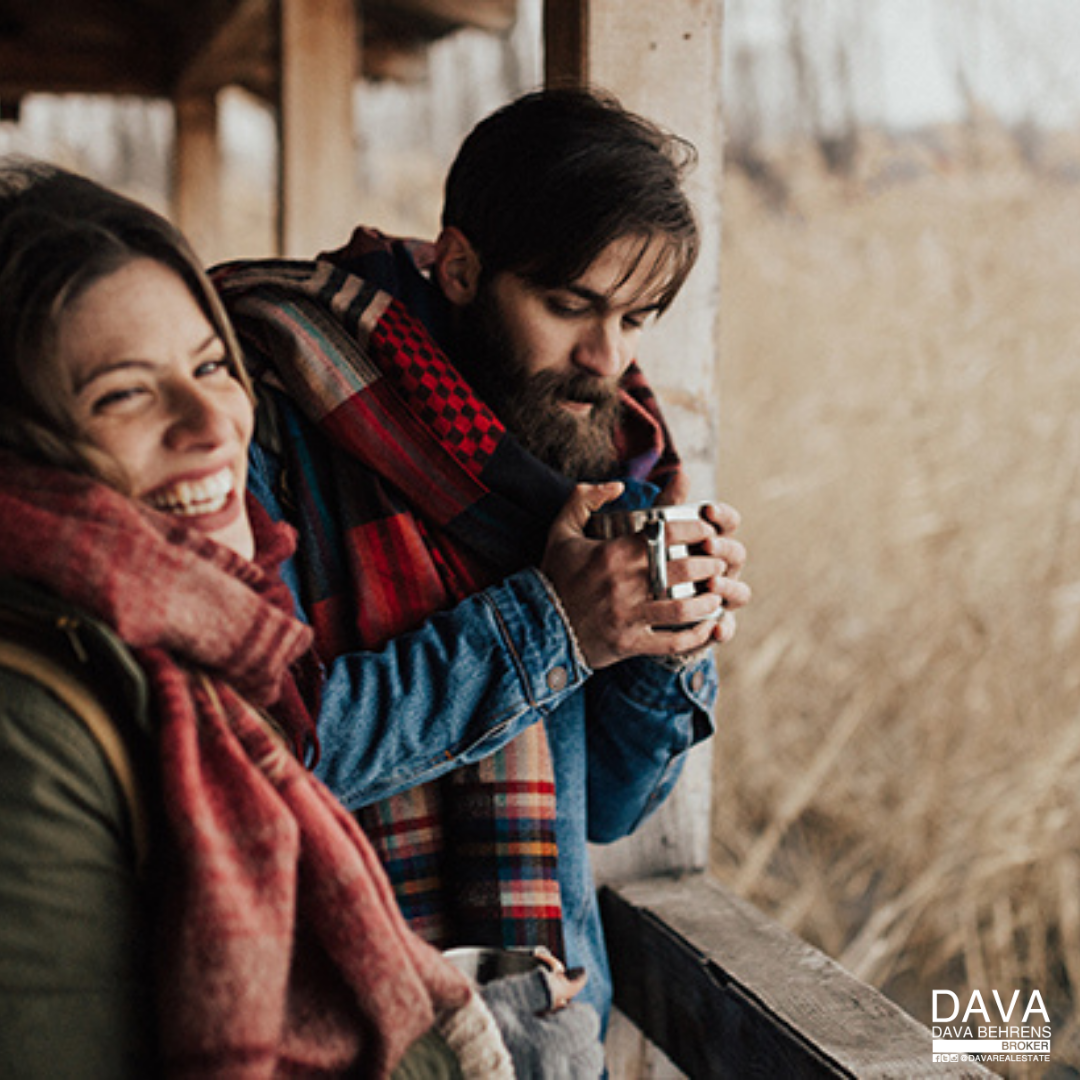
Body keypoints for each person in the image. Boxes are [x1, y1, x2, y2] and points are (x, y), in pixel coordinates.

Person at [0, 158, 605, 1079]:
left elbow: (621, 795)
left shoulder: (206, 636)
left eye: (210, 366)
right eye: (124, 393)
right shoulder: (32, 724)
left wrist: (665, 651)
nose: (211, 422)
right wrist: (474, 1054)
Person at [214, 85, 751, 1028]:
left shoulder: (611, 455)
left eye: (636, 319)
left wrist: (664, 642)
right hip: (338, 1023)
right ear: (460, 268)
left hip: (544, 1026)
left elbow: (610, 809)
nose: (607, 358)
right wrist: (555, 625)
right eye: (568, 305)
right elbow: (263, 753)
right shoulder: (271, 407)